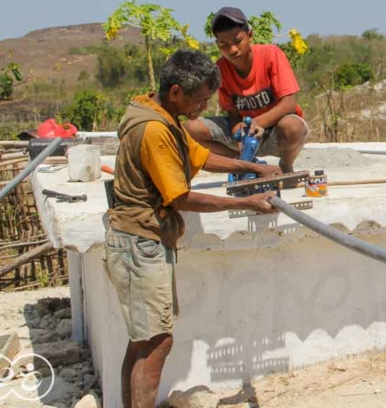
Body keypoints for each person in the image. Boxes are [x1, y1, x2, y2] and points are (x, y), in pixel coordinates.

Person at [104, 49, 281, 408]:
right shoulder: (154, 130)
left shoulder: (160, 114)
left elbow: (197, 156)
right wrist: (246, 203)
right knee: (157, 342)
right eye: (200, 100)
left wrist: (251, 168)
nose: (203, 109)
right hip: (139, 243)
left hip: (139, 240)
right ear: (175, 92)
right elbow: (180, 197)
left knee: (143, 339)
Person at [184, 7, 307, 173]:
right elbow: (232, 112)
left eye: (237, 41)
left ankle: (285, 166)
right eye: (224, 44)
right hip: (245, 134)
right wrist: (237, 130)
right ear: (217, 44)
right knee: (190, 129)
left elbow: (289, 103)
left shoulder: (271, 55)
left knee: (292, 126)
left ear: (249, 36)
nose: (232, 49)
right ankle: (247, 164)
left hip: (275, 132)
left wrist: (258, 123)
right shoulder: (220, 68)